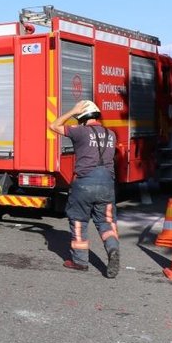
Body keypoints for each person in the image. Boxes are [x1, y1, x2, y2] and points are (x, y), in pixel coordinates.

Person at [49, 100, 120, 278]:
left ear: (83, 117)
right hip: (107, 184)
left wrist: (72, 110)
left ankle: (80, 261)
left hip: (84, 183)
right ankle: (113, 249)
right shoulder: (111, 134)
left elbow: (54, 125)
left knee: (79, 221)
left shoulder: (80, 131)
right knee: (106, 222)